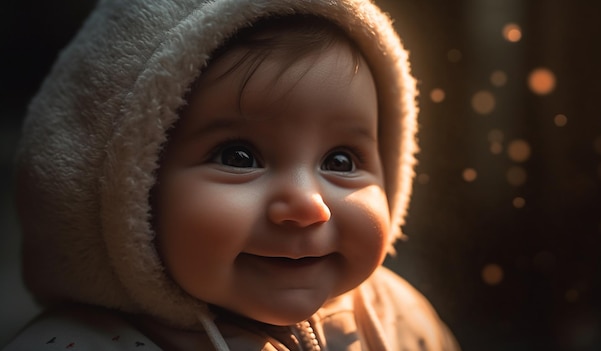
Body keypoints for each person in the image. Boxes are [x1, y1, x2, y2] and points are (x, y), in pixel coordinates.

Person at [5, 0, 460, 350]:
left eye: (340, 161)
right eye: (239, 156)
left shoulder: (402, 321)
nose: (307, 204)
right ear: (129, 189)